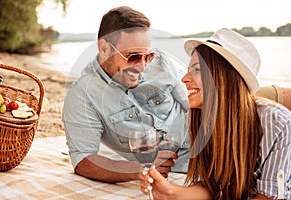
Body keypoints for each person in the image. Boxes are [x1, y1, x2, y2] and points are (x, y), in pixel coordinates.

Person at [139, 28, 291, 199]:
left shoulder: (278, 123)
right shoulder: (203, 122)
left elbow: (269, 197)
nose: (184, 79)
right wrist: (171, 192)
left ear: (223, 77)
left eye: (197, 69)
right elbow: (212, 186)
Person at [62, 6, 190, 183]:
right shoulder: (83, 95)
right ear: (104, 48)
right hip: (176, 175)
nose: (142, 66)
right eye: (133, 56)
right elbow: (83, 160)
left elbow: (194, 104)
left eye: (148, 56)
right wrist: (143, 169)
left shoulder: (161, 62)